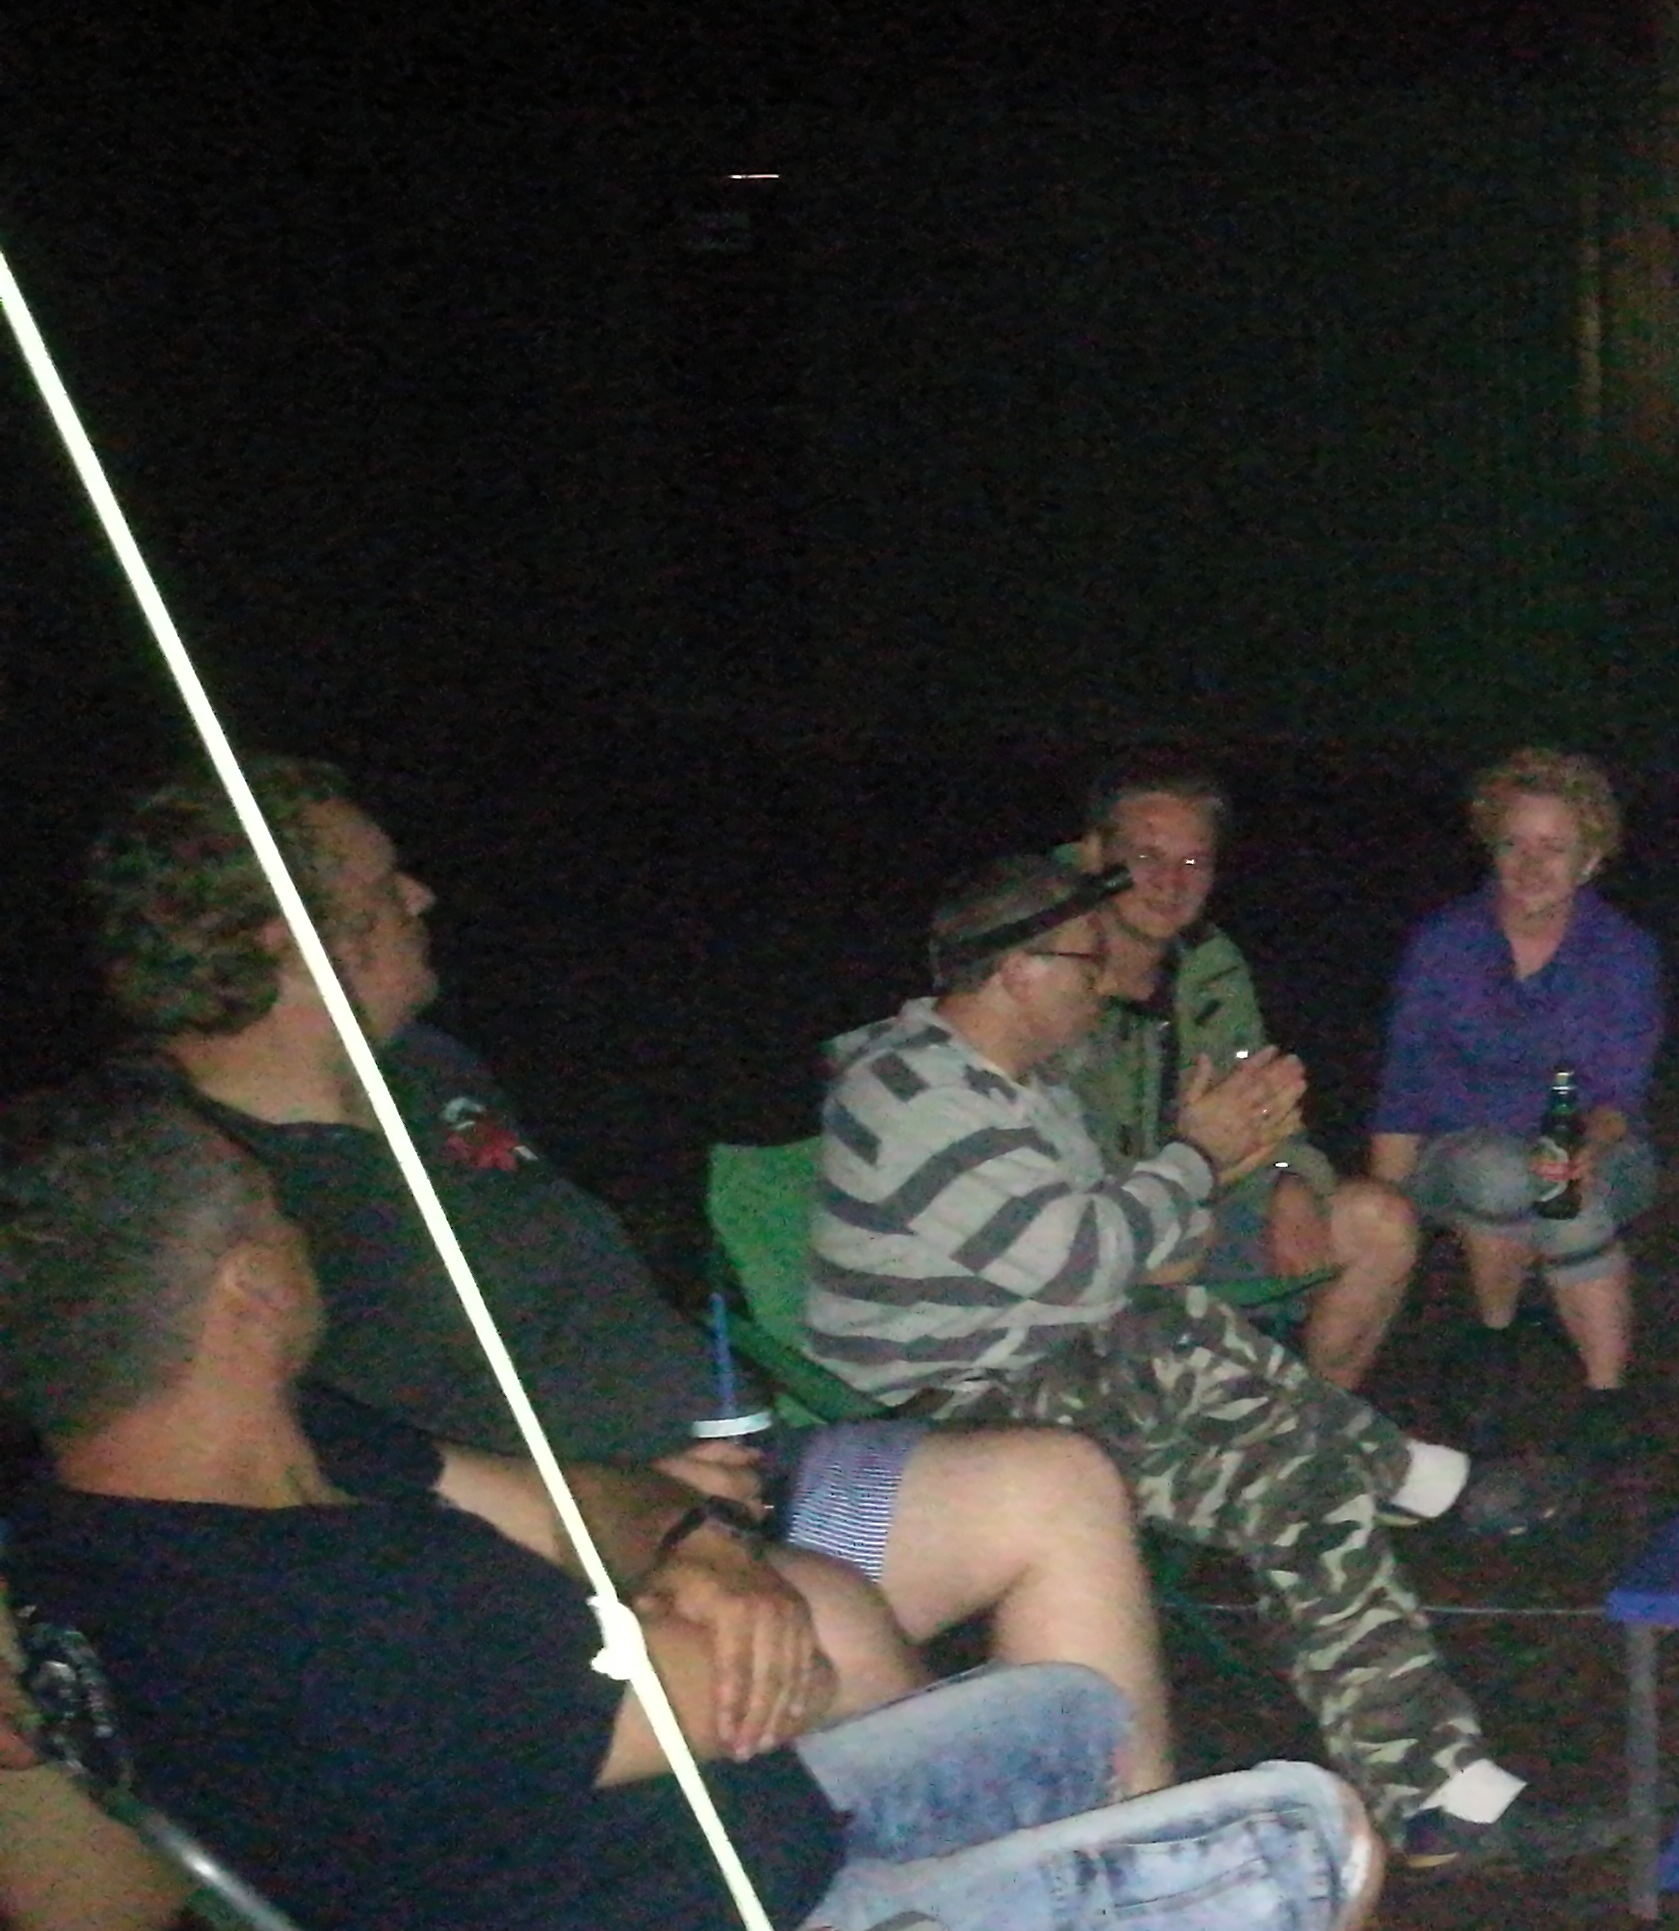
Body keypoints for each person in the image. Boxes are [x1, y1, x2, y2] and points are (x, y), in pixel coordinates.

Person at [0, 1075, 1421, 1931]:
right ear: (246, 1289)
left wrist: (691, 1545)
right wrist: (703, 1577)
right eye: (273, 1210)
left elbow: (580, 1505)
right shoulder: (285, 1619)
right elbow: (747, 1681)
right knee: (1310, 1847)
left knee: (1076, 1717)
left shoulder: (226, 1471)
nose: (305, 1232)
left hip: (718, 1869)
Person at [80, 762, 1168, 1778]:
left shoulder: (427, 1073)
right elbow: (271, 1471)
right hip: (568, 1561)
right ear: (295, 938)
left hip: (747, 1486)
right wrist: (636, 1511)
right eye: (383, 883)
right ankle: (967, 1900)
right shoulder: (183, 1191)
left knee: (1059, 1486)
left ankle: (1151, 1871)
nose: (420, 895)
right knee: (829, 1629)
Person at [809, 854, 1609, 1874]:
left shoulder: (1028, 1089)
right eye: (1084, 962)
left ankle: (1442, 1798)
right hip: (945, 1419)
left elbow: (1142, 1254)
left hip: (1064, 1378)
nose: (1104, 982)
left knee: (1301, 1484)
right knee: (1161, 1327)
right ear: (1015, 970)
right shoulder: (911, 1089)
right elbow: (1088, 1266)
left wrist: (1218, 1167)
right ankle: (1413, 1474)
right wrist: (1191, 1159)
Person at [1061, 752, 1420, 1395]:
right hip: (1084, 1239)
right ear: (1093, 854)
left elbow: (1262, 1099)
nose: (1170, 882)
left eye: (1193, 862)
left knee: (1380, 1223)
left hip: (1196, 1204)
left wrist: (1286, 1177)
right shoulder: (1038, 962)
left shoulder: (1208, 963)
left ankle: (1318, 1421)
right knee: (1170, 1251)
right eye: (1146, 857)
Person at [1369, 749, 1665, 1459]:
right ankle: (1494, 1338)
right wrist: (1384, 1220)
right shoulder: (1444, 945)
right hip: (1462, 1157)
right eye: (1515, 845)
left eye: (1553, 848)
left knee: (1564, 1191)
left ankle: (1606, 1397)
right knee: (1500, 1170)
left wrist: (1589, 1144)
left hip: (1595, 1145)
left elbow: (1620, 1094)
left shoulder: (1623, 952)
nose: (1531, 866)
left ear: (1589, 861)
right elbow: (1404, 1086)